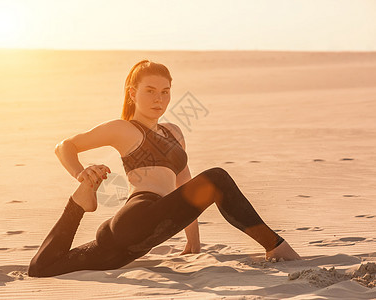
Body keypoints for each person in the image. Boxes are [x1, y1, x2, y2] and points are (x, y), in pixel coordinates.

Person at [28, 59, 301, 277]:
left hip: (140, 238)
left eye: (165, 92)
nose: (159, 99)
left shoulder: (174, 132)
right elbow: (64, 146)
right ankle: (276, 247)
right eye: (150, 91)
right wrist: (80, 173)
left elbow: (185, 185)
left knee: (43, 269)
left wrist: (193, 240)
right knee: (217, 178)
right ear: (133, 93)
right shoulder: (123, 129)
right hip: (136, 218)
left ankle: (78, 203)